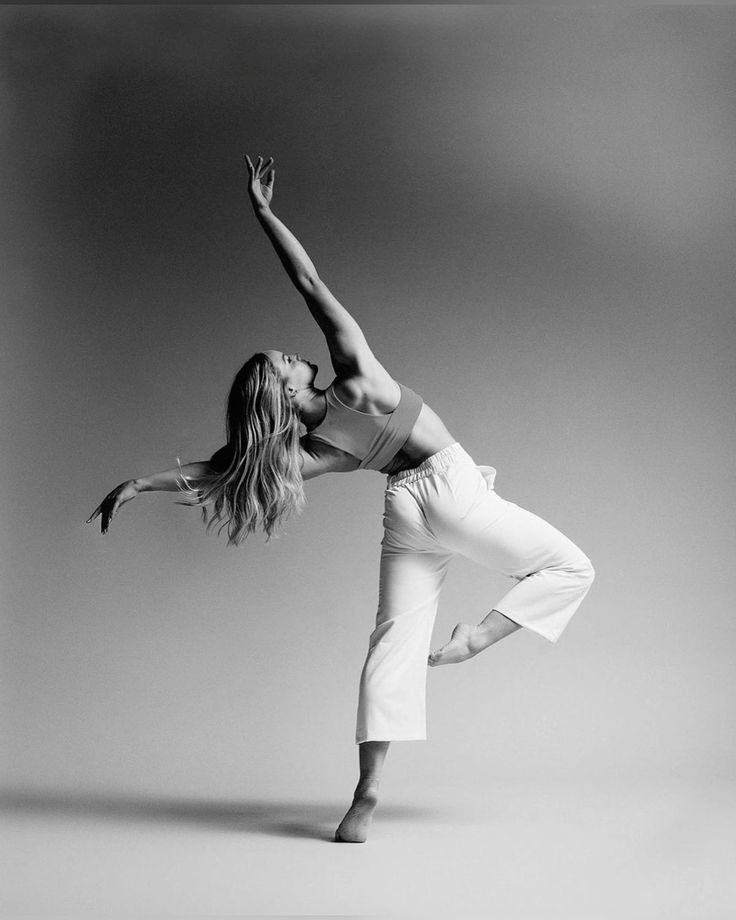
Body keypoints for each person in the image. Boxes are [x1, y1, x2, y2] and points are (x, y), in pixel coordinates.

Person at [86, 155, 595, 844]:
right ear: (287, 392)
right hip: (450, 486)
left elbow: (224, 469)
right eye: (283, 361)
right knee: (571, 568)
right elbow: (309, 281)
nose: (293, 353)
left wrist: (139, 485)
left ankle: (366, 793)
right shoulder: (357, 378)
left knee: (391, 646)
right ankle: (479, 638)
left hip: (404, 510)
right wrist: (265, 214)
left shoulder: (318, 450)